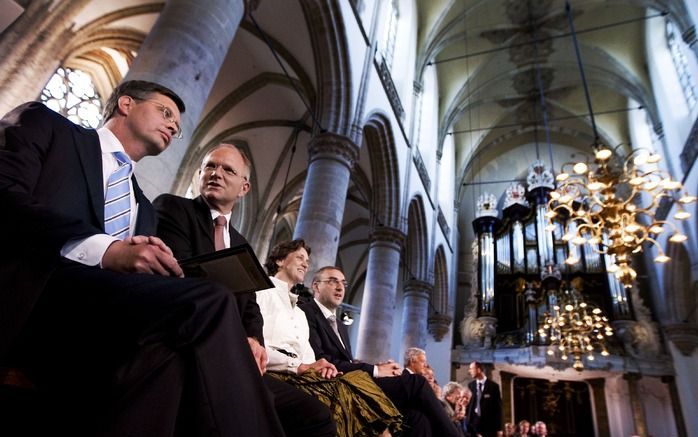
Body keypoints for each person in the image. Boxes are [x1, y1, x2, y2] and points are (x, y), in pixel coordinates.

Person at [0, 80, 284, 436]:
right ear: (126, 103)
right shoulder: (49, 127)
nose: (172, 126)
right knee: (210, 300)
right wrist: (107, 250)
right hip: (37, 298)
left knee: (173, 358)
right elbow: (5, 196)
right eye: (165, 113)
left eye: (177, 127)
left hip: (106, 330)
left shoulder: (144, 210)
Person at [153, 143, 335, 437]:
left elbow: (250, 306)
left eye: (227, 170)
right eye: (210, 166)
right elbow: (180, 275)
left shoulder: (240, 243)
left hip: (234, 360)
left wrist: (255, 339)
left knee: (316, 416)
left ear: (244, 187)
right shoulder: (174, 208)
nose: (216, 174)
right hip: (187, 344)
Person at [258, 239, 403, 437]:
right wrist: (299, 366)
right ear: (280, 261)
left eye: (307, 261)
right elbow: (256, 344)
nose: (305, 264)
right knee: (343, 398)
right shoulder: (262, 292)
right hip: (275, 371)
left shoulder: (299, 311)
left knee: (359, 383)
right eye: (299, 257)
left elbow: (308, 355)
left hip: (301, 372)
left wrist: (320, 365)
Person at [300, 265, 461, 437]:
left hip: (354, 380)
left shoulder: (339, 324)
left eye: (343, 283)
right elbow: (321, 359)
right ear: (316, 286)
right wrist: (375, 370)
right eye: (333, 281)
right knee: (417, 382)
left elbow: (346, 361)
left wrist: (378, 367)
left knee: (417, 418)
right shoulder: (307, 312)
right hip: (338, 385)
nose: (340, 287)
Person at [466, 361, 503, 437]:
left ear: (478, 370)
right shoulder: (470, 385)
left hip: (488, 426)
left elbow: (498, 408)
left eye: (471, 369)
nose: (469, 371)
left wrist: (499, 429)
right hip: (473, 425)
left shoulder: (494, 386)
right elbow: (469, 405)